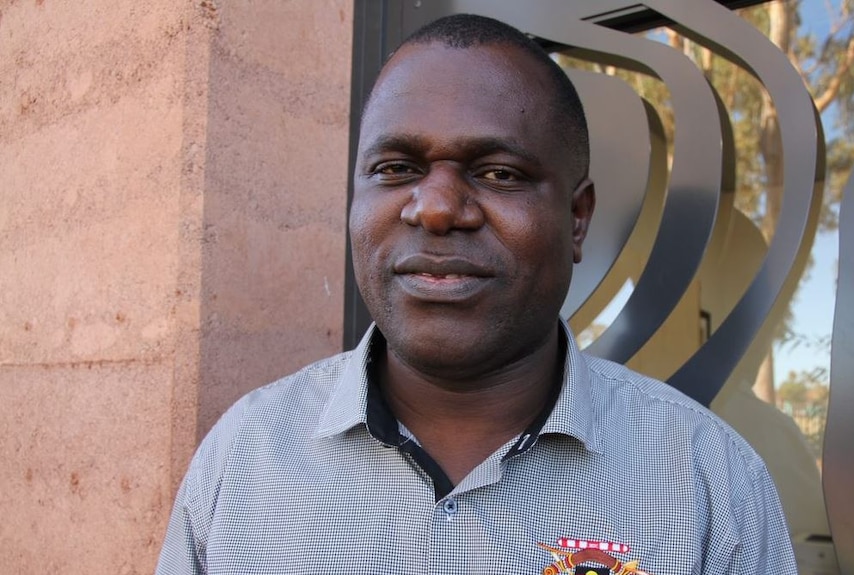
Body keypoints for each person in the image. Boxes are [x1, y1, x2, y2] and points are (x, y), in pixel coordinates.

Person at [156, 14, 797, 575]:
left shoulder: (708, 481)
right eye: (396, 169)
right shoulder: (243, 462)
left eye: (498, 173)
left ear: (577, 219)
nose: (435, 209)